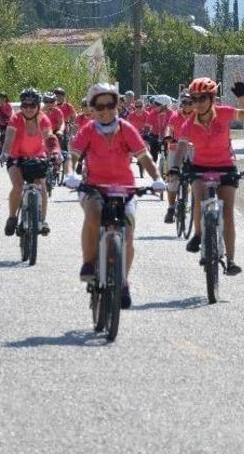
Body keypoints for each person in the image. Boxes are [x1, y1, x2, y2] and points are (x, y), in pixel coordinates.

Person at [62, 83, 166, 309]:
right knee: (93, 212)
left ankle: (123, 282)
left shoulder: (126, 128)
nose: (105, 110)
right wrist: (70, 173)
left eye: (110, 104)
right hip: (94, 187)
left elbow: (144, 156)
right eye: (100, 106)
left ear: (117, 105)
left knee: (128, 234)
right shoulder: (88, 130)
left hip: (124, 189)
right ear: (92, 108)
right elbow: (73, 155)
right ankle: (89, 263)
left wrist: (157, 177)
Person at [172, 76, 244, 273]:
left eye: (202, 99)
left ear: (211, 98)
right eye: (194, 99)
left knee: (227, 214)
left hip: (226, 166)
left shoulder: (225, 113)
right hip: (200, 167)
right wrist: (175, 167)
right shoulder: (189, 123)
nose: (198, 104)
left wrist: (242, 97)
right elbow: (182, 146)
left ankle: (231, 261)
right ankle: (199, 234)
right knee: (198, 193)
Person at [0, 87, 61, 237]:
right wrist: (5, 153)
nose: (28, 109)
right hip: (16, 157)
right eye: (24, 105)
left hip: (37, 157)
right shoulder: (16, 119)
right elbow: (9, 139)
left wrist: (56, 152)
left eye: (32, 105)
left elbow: (49, 137)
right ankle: (12, 217)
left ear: (38, 106)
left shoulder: (43, 119)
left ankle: (42, 221)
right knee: (18, 185)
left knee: (42, 186)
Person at [161, 91, 194, 223]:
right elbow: (169, 128)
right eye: (184, 102)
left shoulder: (197, 116)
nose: (186, 105)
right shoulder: (175, 116)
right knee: (173, 179)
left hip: (192, 148)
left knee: (197, 177)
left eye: (190, 103)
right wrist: (168, 136)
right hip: (175, 148)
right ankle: (170, 208)